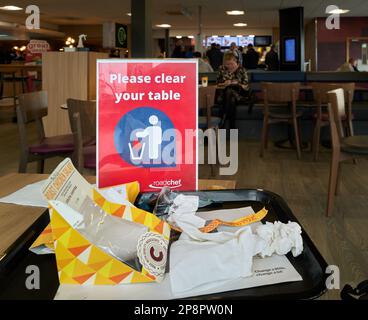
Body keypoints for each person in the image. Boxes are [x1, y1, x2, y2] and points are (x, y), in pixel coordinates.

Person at [216, 52, 249, 129]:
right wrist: (224, 83)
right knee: (231, 99)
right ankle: (232, 127)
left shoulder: (242, 70)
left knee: (230, 93)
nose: (229, 66)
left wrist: (237, 83)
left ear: (236, 61)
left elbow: (246, 85)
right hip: (225, 95)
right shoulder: (222, 68)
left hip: (239, 95)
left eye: (231, 64)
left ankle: (222, 122)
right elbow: (217, 83)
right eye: (227, 64)